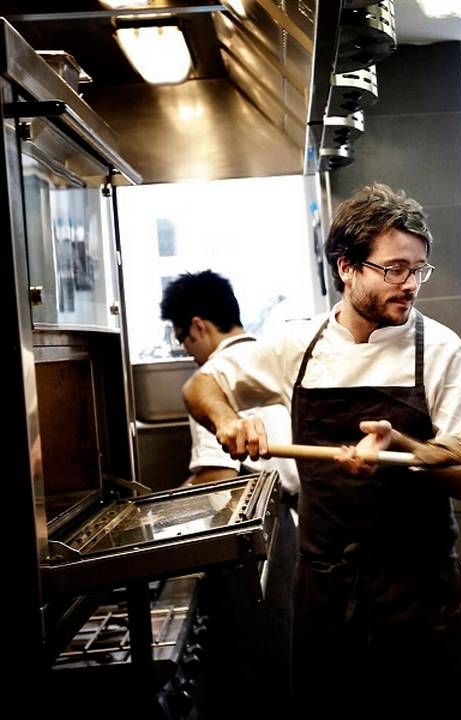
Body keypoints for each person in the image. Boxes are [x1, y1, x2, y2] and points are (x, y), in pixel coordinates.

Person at [182, 183, 461, 717]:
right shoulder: (296, 346)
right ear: (347, 267)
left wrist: (406, 449)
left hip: (422, 597)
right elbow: (200, 388)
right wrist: (229, 421)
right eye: (394, 269)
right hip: (327, 594)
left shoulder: (440, 351)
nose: (411, 284)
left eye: (419, 269)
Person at [160, 270, 300, 711]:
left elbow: (216, 479)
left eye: (183, 338)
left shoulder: (216, 378)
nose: (187, 350)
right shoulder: (271, 359)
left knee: (261, 681)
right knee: (291, 668)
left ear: (199, 326)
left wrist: (158, 518)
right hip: (297, 534)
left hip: (257, 553)